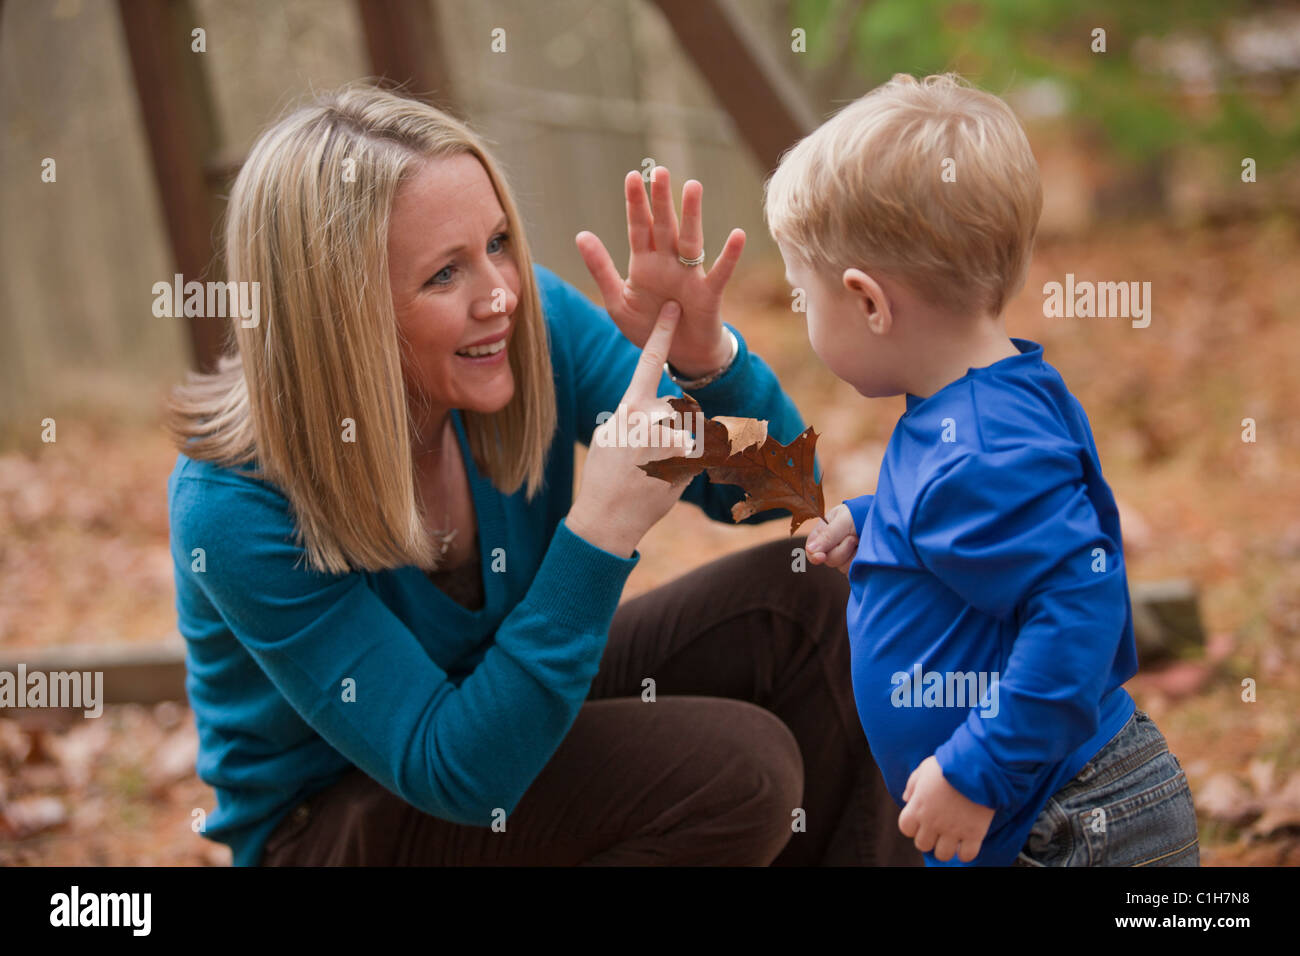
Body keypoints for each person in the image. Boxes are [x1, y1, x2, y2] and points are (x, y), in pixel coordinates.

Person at [165, 82, 921, 866]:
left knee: (810, 595)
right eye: (443, 275)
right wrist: (597, 535)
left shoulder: (528, 329)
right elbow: (453, 769)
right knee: (737, 772)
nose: (500, 294)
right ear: (340, 314)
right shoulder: (233, 503)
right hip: (338, 818)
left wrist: (706, 361)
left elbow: (778, 496)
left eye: (497, 244)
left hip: (502, 706)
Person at [766, 73, 1199, 866]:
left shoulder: (978, 449)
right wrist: (878, 523)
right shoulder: (973, 411)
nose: (802, 314)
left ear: (868, 302)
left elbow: (1078, 610)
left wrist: (979, 772)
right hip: (1036, 807)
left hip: (1070, 819)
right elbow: (983, 525)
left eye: (803, 296)